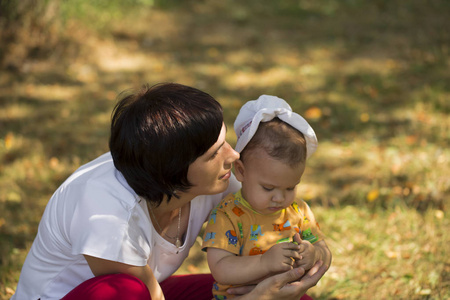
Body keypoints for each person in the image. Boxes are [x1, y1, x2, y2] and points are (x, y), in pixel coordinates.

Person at [12, 83, 328, 300]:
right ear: (175, 171)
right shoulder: (106, 213)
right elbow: (141, 294)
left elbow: (273, 221)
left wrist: (312, 256)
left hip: (151, 293)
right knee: (125, 291)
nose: (233, 156)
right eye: (215, 152)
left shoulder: (216, 178)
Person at [202, 95, 332, 299]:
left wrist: (315, 254)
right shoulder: (227, 215)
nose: (280, 198)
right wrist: (264, 263)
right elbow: (220, 268)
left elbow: (323, 248)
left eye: (290, 187)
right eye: (268, 188)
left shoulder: (298, 210)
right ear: (241, 171)